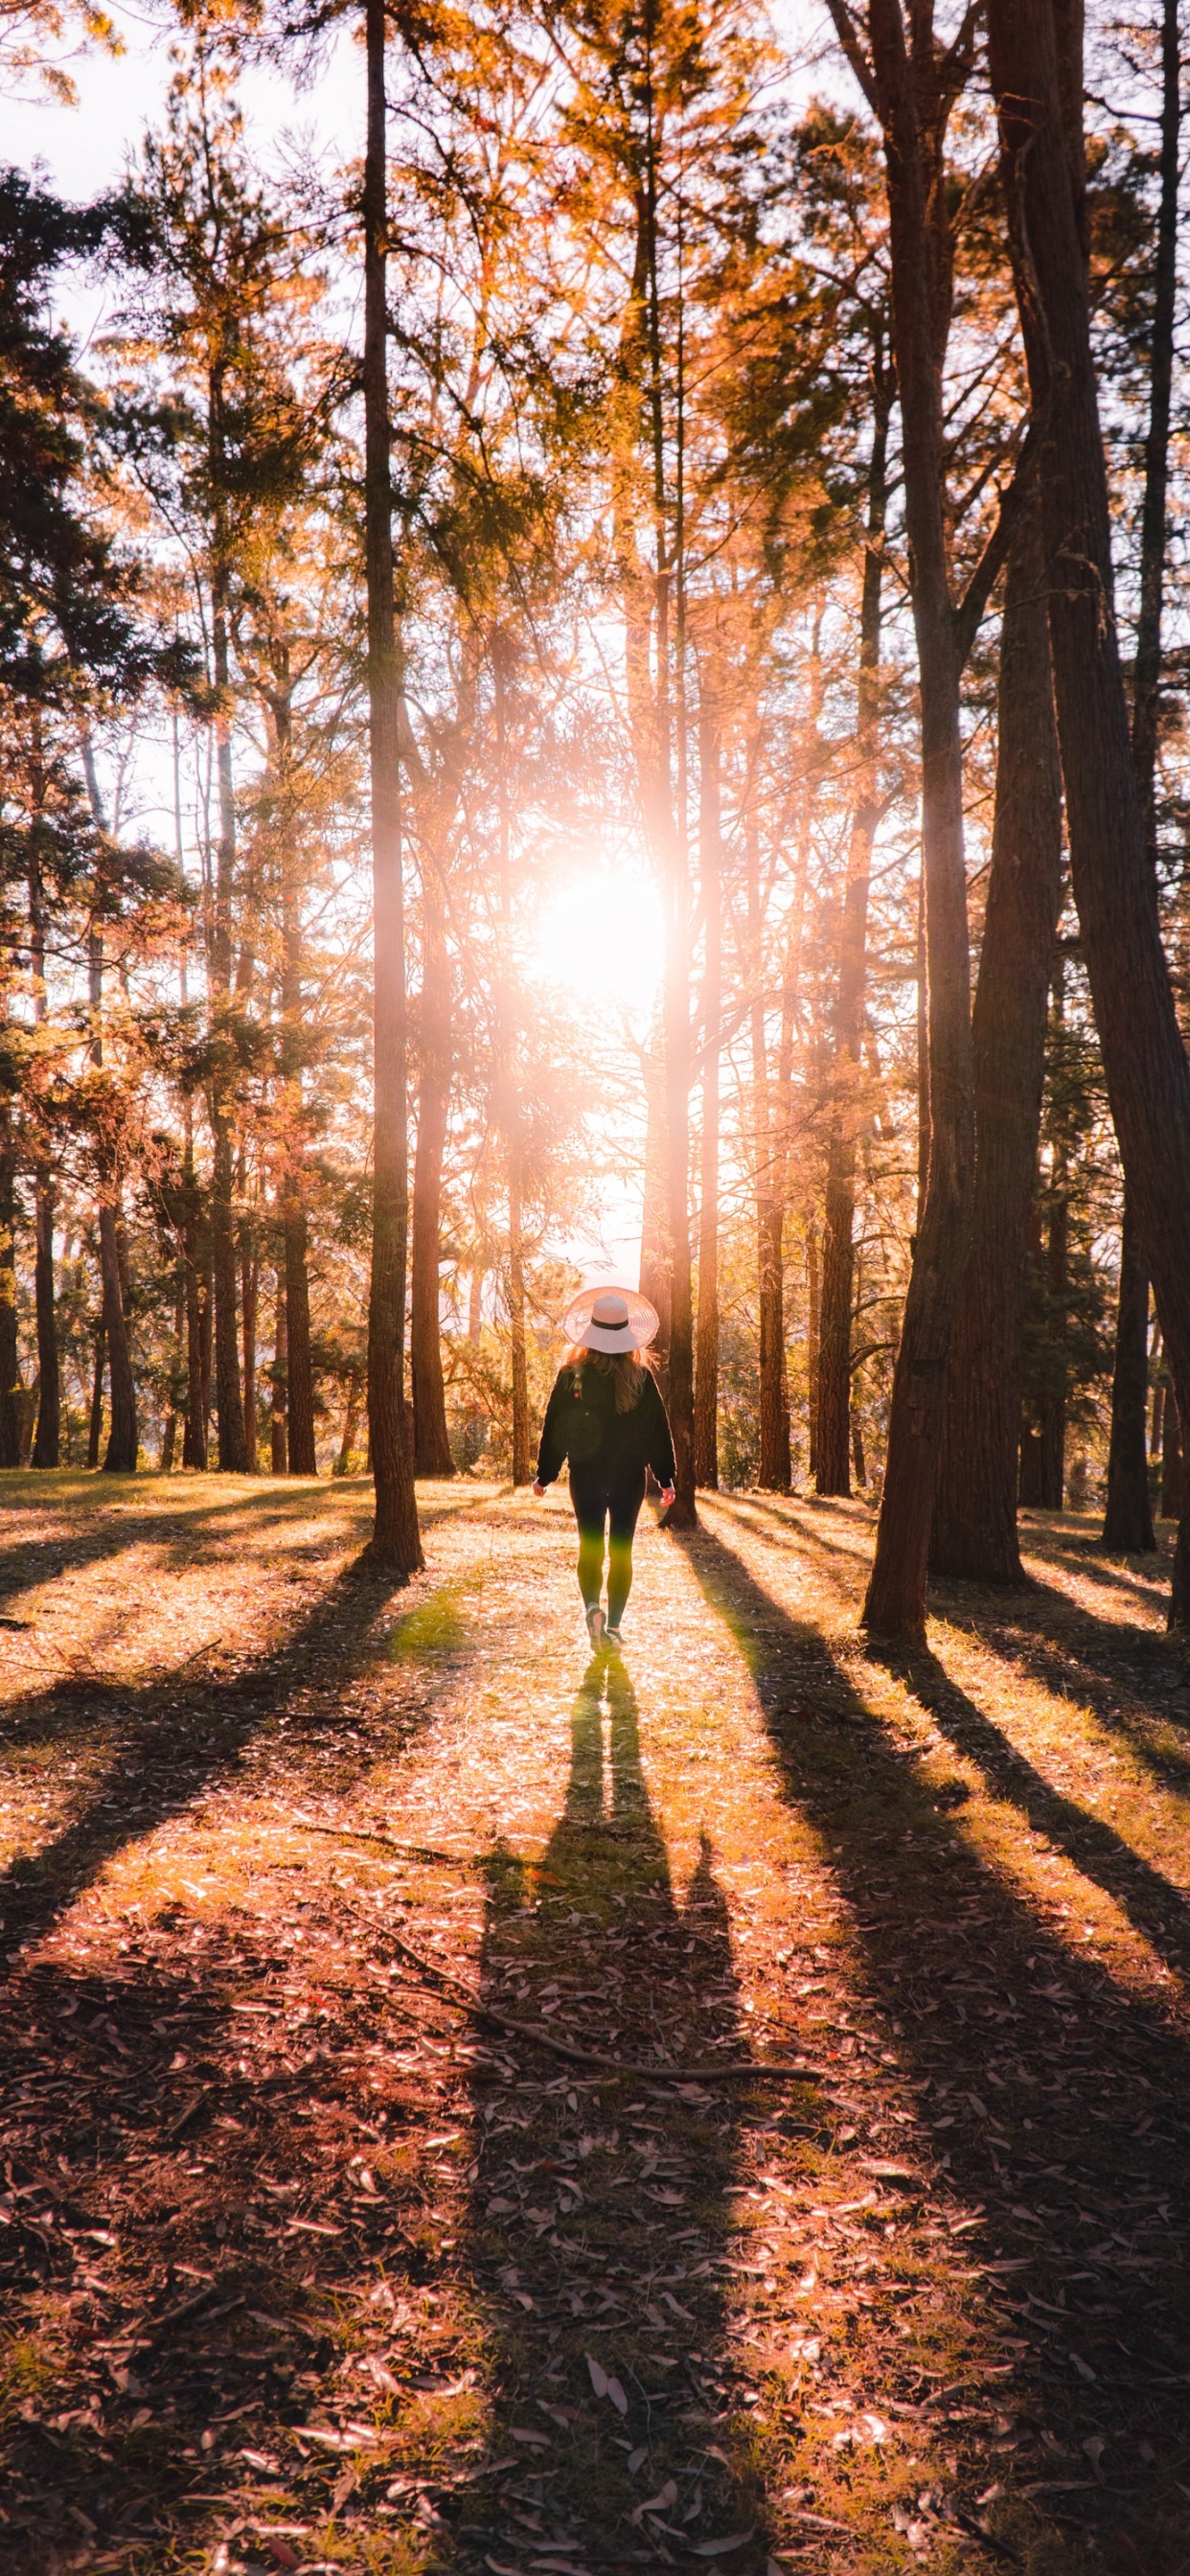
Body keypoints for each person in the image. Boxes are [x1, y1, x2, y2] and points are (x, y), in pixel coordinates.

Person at [533, 1286, 676, 1651]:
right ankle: (612, 1627)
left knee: (591, 1546)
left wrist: (545, 1475)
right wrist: (665, 1477)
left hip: (587, 1475)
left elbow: (555, 1426)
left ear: (591, 1332)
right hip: (629, 1477)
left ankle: (592, 1609)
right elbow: (657, 1429)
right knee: (621, 1551)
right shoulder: (641, 1377)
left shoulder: (572, 1374)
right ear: (626, 1334)